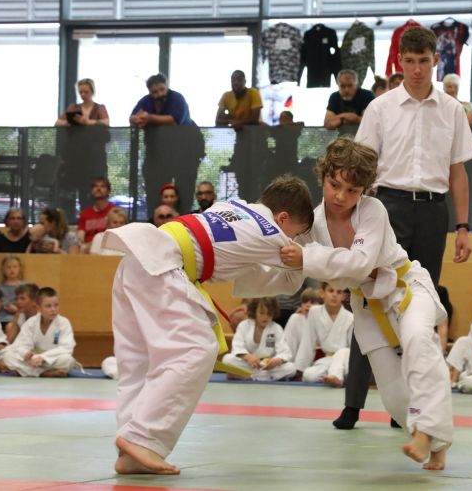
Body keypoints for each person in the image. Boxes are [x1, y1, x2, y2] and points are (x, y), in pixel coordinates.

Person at [100, 175, 313, 475]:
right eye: (296, 233)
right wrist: (315, 250)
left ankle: (131, 449)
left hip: (137, 260)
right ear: (282, 219)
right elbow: (296, 270)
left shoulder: (233, 206)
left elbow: (243, 261)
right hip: (163, 267)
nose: (293, 241)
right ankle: (143, 439)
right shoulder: (270, 232)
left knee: (138, 361)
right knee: (196, 349)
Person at [280, 138, 453, 471]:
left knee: (419, 341)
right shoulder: (313, 225)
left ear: (365, 191)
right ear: (323, 176)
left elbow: (359, 264)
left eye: (352, 190)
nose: (341, 196)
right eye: (335, 185)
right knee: (392, 393)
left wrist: (307, 258)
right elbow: (291, 268)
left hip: (405, 286)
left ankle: (427, 432)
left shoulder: (373, 210)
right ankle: (437, 442)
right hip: (365, 305)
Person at [339, 26, 472, 432]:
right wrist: (352, 219)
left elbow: (458, 173)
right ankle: (352, 404)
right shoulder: (380, 108)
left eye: (424, 61)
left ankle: (406, 406)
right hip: (386, 207)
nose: (417, 69)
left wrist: (464, 226)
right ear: (400, 62)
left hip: (433, 212)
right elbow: (360, 169)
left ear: (436, 61)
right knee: (370, 301)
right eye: (411, 61)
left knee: (419, 307)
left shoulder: (452, 110)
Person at [130, 73, 204, 216]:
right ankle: (156, 219)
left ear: (167, 86)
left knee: (184, 188)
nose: (159, 94)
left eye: (162, 90)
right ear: (149, 92)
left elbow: (173, 120)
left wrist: (149, 118)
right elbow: (133, 116)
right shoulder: (146, 101)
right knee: (154, 188)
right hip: (157, 153)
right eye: (154, 92)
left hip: (185, 151)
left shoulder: (177, 99)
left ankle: (184, 218)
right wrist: (136, 119)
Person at [55, 78, 111, 210]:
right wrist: (71, 123)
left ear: (92, 91)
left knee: (93, 187)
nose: (83, 95)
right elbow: (58, 122)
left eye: (86, 92)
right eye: (81, 92)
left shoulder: (99, 108)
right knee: (77, 188)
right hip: (76, 156)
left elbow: (106, 122)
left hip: (94, 156)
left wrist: (88, 122)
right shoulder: (74, 108)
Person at [3, 287, 78, 377]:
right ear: (38, 308)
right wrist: (26, 353)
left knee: (67, 359)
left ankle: (28, 371)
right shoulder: (31, 322)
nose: (53, 309)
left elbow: (67, 347)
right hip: (34, 359)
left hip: (52, 359)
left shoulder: (63, 322)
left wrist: (43, 357)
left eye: (56, 305)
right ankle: (43, 373)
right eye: (48, 306)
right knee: (8, 356)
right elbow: (20, 344)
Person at [216, 70, 265, 202]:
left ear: (245, 81)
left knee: (255, 175)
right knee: (241, 175)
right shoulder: (227, 95)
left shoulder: (253, 93)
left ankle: (257, 202)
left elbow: (255, 118)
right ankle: (245, 201)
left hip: (257, 141)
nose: (236, 83)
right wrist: (235, 122)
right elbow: (218, 119)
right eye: (233, 80)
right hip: (240, 141)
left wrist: (235, 121)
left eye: (239, 80)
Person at [221, 297, 296, 381]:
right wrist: (248, 357)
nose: (265, 317)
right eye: (262, 313)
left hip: (267, 366)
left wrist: (276, 361)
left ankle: (250, 376)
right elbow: (237, 346)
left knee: (291, 368)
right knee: (227, 359)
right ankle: (264, 377)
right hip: (248, 363)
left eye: (269, 314)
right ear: (254, 311)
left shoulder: (276, 328)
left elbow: (284, 351)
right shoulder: (244, 325)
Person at [294, 283, 353, 387]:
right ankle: (334, 376)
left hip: (345, 360)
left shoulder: (350, 317)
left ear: (343, 296)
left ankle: (337, 377)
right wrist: (300, 369)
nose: (334, 295)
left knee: (343, 351)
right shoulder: (314, 312)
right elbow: (308, 341)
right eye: (331, 291)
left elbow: (352, 349)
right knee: (309, 375)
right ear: (322, 293)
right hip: (328, 359)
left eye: (339, 292)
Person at [283, 287, 322, 365]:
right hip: (296, 362)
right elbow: (288, 345)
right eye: (304, 302)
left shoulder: (324, 321)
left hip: (318, 362)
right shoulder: (295, 318)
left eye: (312, 302)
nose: (307, 305)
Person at [77, 177, 117, 250]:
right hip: (88, 250)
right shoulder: (84, 213)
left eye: (102, 186)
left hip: (109, 248)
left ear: (108, 191)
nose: (98, 189)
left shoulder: (115, 211)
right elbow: (80, 237)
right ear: (92, 191)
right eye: (95, 186)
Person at [0, 255, 24, 327]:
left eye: (15, 267)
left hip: (18, 320)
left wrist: (17, 310)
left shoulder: (25, 287)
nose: (12, 270)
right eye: (8, 267)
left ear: (19, 268)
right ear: (3, 270)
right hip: (0, 319)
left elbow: (29, 307)